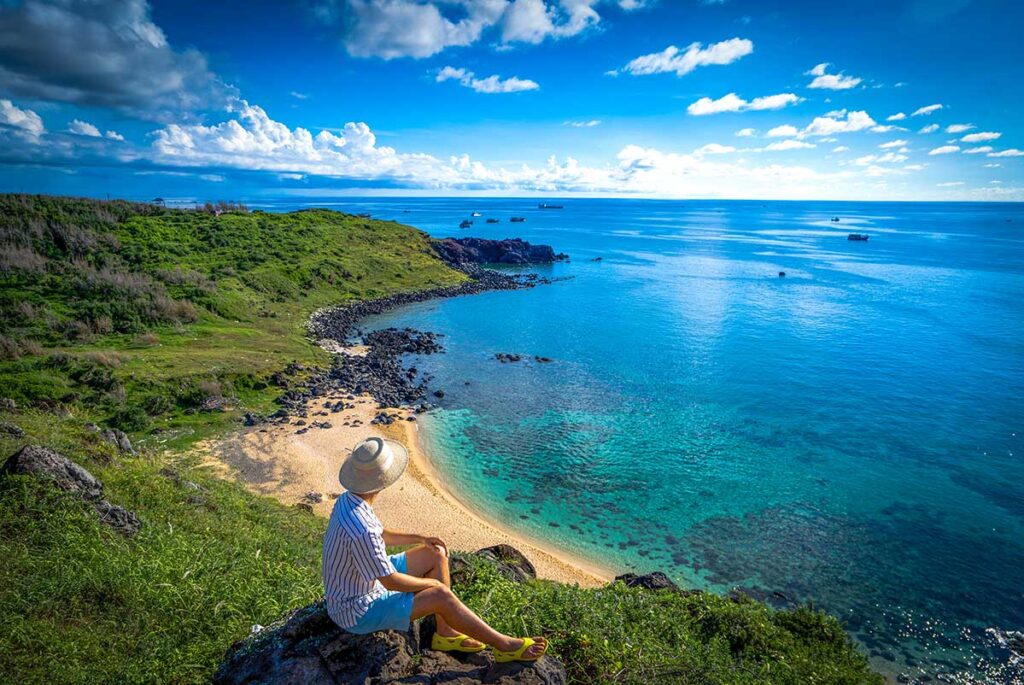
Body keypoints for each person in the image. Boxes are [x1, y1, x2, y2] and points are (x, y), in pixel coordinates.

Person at [323, 436, 548, 661]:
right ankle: (505, 645)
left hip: (362, 581)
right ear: (383, 479)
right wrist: (430, 584)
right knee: (440, 594)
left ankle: (445, 632)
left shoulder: (349, 499)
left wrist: (420, 538)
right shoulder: (361, 527)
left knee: (435, 553)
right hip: (356, 610)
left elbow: (379, 534)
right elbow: (390, 581)